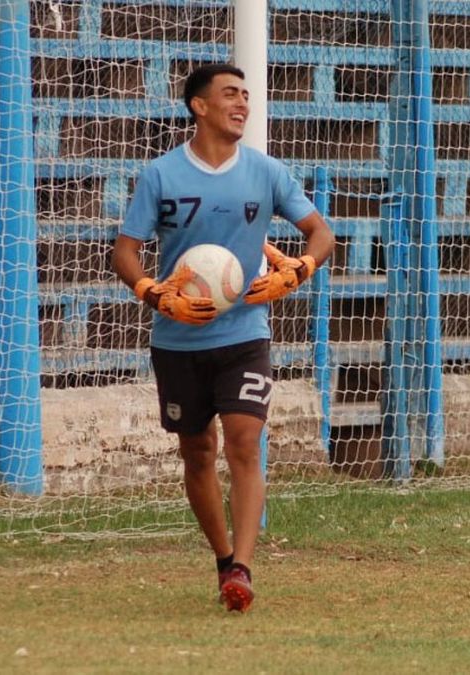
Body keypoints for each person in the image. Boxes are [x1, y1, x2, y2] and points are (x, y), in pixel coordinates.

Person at [112, 63, 335, 613]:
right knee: (196, 451)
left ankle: (243, 567)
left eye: (246, 96)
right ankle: (221, 558)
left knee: (242, 441)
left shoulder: (266, 172)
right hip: (178, 341)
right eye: (230, 95)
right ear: (199, 106)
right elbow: (124, 251)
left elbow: (322, 233)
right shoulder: (161, 176)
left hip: (245, 335)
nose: (242, 104)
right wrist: (152, 292)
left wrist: (299, 270)